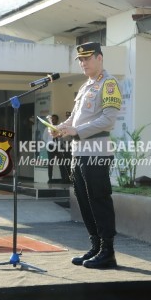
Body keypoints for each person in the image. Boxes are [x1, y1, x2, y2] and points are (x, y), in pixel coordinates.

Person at [54, 42, 122, 269]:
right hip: (79, 151)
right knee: (84, 201)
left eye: (87, 58)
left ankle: (108, 251)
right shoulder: (85, 87)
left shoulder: (109, 83)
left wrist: (77, 131)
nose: (83, 63)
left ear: (100, 58)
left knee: (99, 199)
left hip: (96, 150)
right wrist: (60, 127)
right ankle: (95, 245)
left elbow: (108, 120)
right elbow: (74, 118)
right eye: (80, 60)